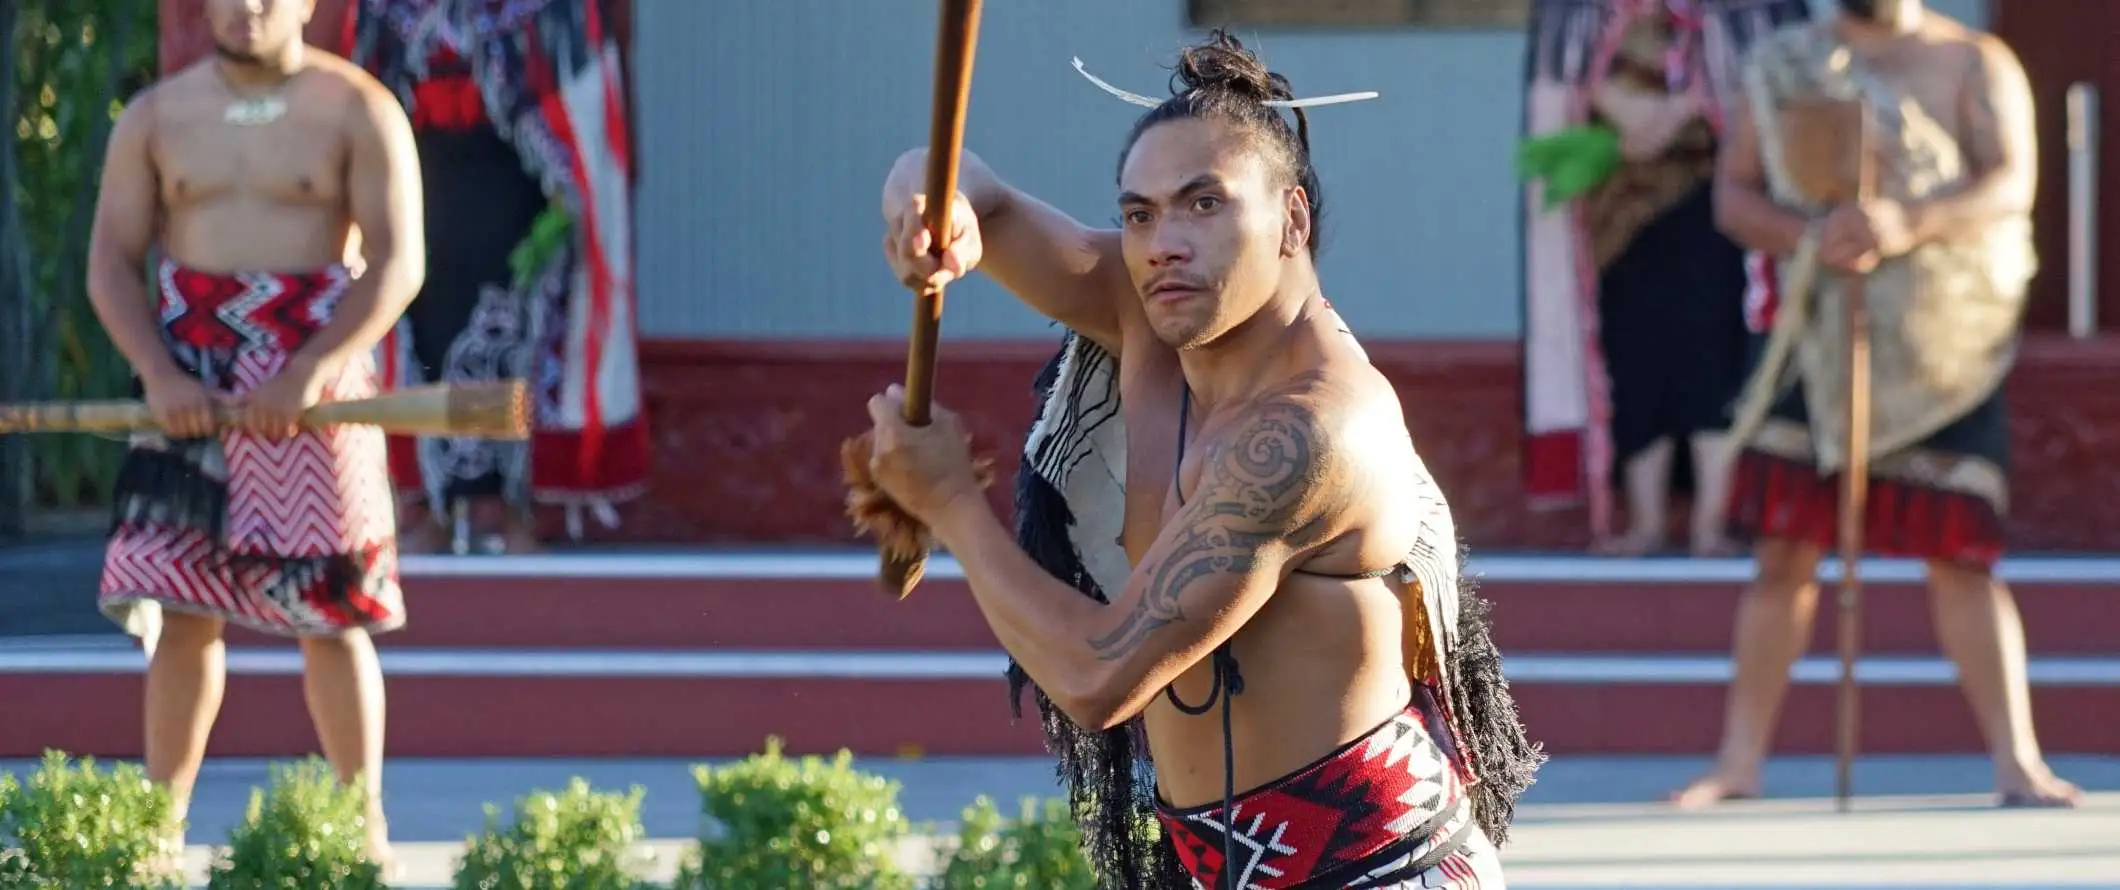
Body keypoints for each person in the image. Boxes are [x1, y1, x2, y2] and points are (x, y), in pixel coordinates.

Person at [862, 32, 1541, 889]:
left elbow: (1099, 675)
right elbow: (954, 179)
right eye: (1139, 213)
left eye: (1203, 204)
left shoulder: (1310, 434)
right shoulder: (1146, 305)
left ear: (1292, 219)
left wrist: (952, 503)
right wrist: (935, 210)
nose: (1162, 243)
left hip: (1382, 872)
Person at [1671, 0, 2083, 808]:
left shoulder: (1973, 61)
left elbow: (2010, 183)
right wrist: (1813, 234)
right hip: (1816, 328)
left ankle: (2017, 764)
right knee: (1782, 553)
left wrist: (1906, 222)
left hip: (1942, 343)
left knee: (1961, 555)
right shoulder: (1787, 61)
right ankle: (1738, 764)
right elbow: (1736, 198)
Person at [83, 0, 423, 869]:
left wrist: (311, 367)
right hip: (188, 373)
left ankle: (362, 825)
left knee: (332, 613)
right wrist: (158, 373)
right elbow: (112, 262)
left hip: (316, 374)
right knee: (182, 611)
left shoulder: (358, 107)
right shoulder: (156, 117)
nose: (247, 8)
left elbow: (396, 260)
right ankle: (158, 833)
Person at [356, 0, 651, 554]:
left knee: (519, 342)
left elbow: (594, 71)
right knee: (427, 335)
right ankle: (434, 504)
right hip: (422, 178)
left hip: (521, 185)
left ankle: (515, 508)